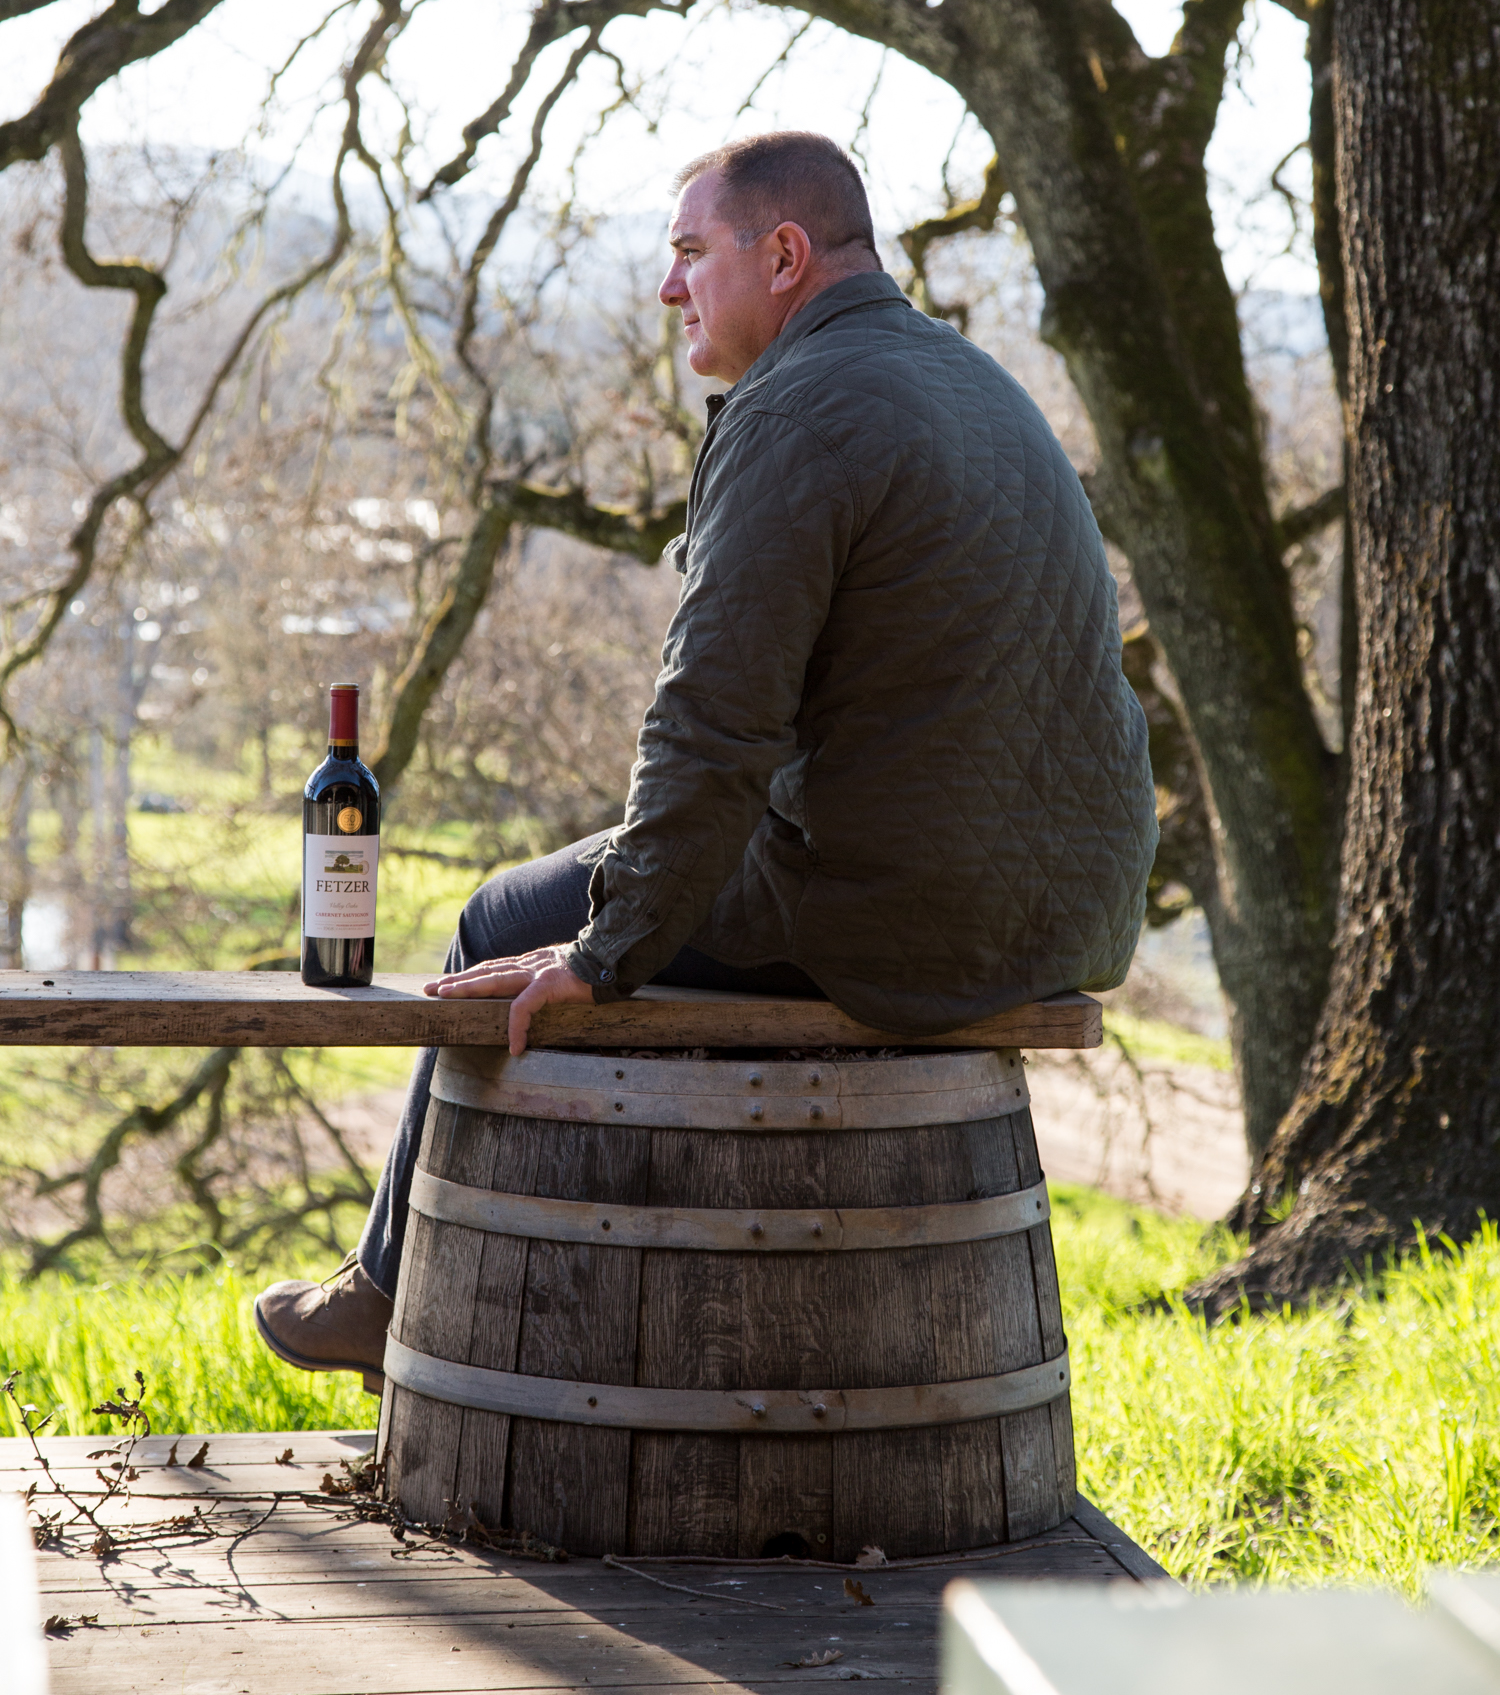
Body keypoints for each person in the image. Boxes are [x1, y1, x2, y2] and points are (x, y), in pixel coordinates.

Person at [254, 130, 1157, 1383]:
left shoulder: (794, 410)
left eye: (690, 252)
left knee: (500, 915)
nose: (670, 287)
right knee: (594, 891)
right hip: (1069, 915)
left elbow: (713, 726)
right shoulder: (974, 383)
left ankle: (386, 1295)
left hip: (898, 916)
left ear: (783, 255)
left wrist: (604, 950)